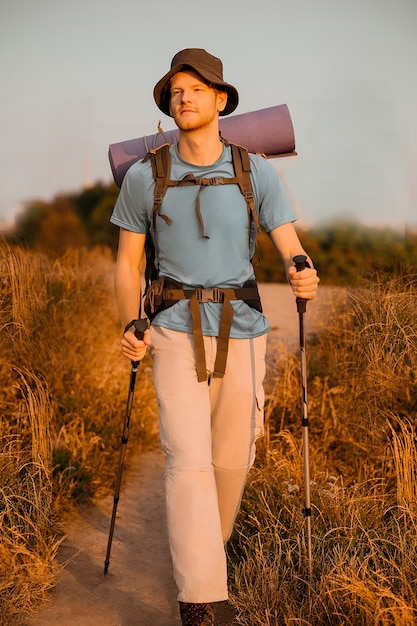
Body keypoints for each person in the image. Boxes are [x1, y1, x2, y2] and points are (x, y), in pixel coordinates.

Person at [110, 48, 319, 626]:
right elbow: (128, 265)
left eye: (197, 90)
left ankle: (205, 555)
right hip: (173, 329)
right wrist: (132, 324)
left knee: (233, 459)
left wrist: (302, 269)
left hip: (244, 329)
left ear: (222, 100)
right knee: (189, 461)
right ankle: (202, 599)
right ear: (167, 104)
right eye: (176, 92)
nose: (185, 98)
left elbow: (287, 240)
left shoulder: (256, 169)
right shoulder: (144, 175)